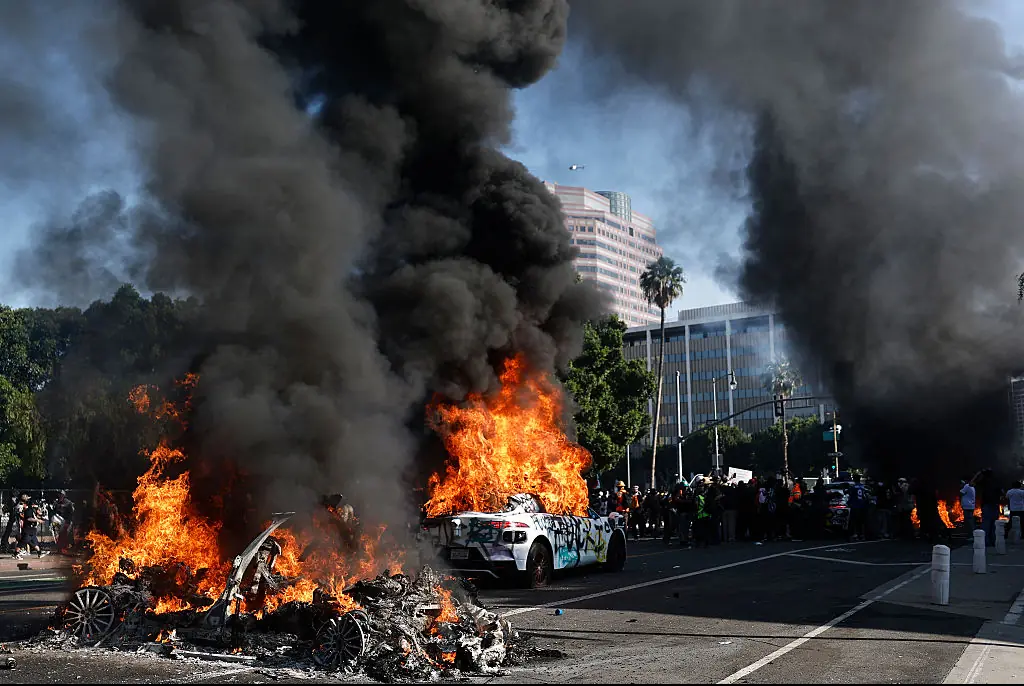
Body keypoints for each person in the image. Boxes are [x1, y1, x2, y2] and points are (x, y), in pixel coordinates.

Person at [847, 474, 869, 541]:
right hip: (862, 505)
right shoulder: (862, 486)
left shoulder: (853, 487)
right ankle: (861, 535)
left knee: (853, 521)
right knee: (861, 521)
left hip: (855, 505)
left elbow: (851, 495)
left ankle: (854, 534)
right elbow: (864, 496)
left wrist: (848, 503)